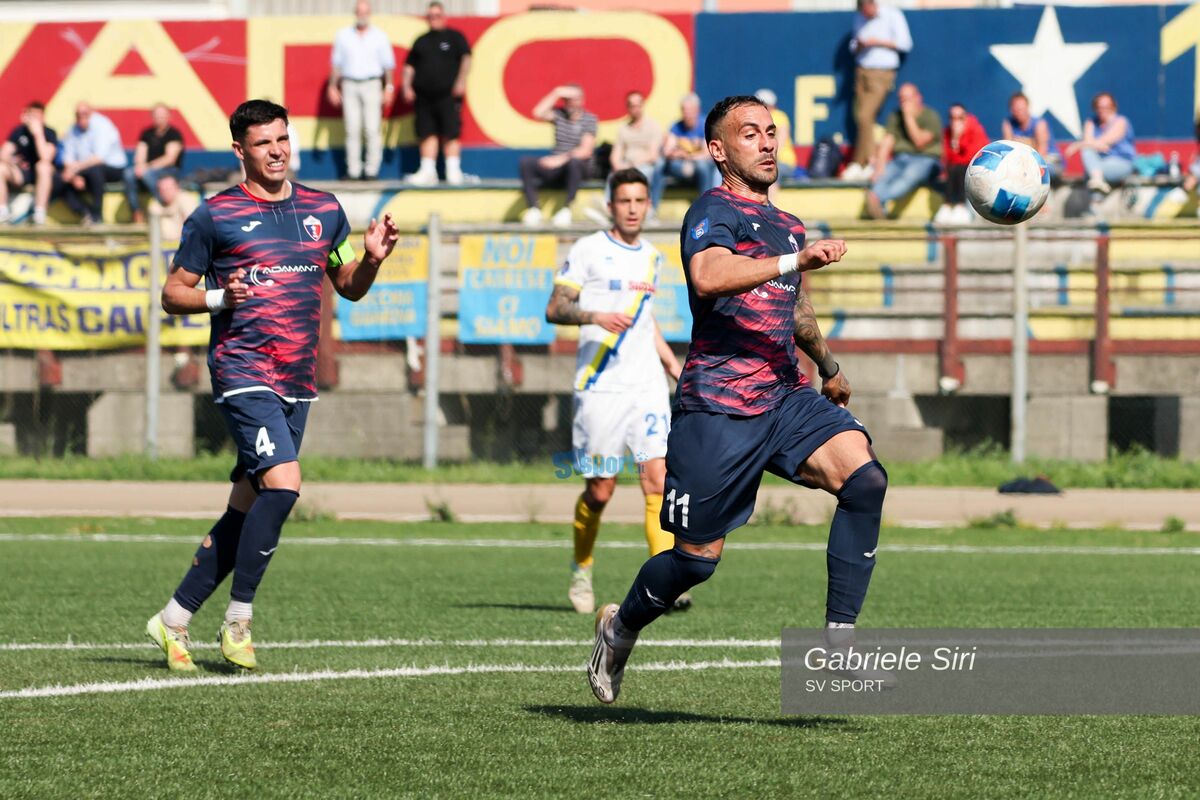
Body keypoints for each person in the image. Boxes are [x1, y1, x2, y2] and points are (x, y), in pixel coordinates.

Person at [588, 95, 885, 704]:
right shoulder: (711, 211)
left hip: (784, 394)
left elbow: (796, 311)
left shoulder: (789, 225)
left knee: (865, 480)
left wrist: (829, 368)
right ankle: (619, 629)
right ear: (718, 150)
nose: (767, 142)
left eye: (772, 131)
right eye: (751, 133)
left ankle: (838, 640)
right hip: (719, 405)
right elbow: (708, 276)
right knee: (696, 561)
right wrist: (794, 259)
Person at [145, 99, 400, 673]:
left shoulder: (324, 210)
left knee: (248, 506)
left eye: (283, 139)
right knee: (283, 486)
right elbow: (172, 293)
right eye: (264, 143)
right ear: (241, 151)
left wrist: (372, 260)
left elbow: (348, 283)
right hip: (242, 370)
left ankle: (172, 618)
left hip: (296, 378)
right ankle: (238, 621)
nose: (277, 151)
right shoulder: (215, 216)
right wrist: (220, 297)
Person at [544, 168, 684, 615]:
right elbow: (555, 307)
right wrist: (595, 316)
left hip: (646, 386)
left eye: (640, 200)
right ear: (611, 205)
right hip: (600, 387)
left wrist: (670, 362)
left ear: (648, 205)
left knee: (657, 480)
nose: (632, 208)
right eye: (624, 200)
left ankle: (665, 582)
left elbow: (643, 317)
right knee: (601, 490)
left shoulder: (654, 257)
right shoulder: (588, 249)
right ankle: (581, 569)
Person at [402, 1, 471, 186]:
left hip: (448, 95)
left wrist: (461, 81)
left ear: (444, 16)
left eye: (437, 15)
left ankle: (453, 171)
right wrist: (407, 86)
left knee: (451, 132)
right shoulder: (421, 40)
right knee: (426, 132)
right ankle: (427, 171)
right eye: (430, 16)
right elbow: (409, 66)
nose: (434, 19)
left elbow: (466, 58)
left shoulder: (455, 37)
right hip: (424, 97)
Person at [843, 0, 912, 181]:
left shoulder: (892, 14)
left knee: (865, 116)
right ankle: (864, 162)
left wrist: (876, 42)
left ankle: (865, 161)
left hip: (882, 73)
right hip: (862, 71)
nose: (865, 15)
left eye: (867, 10)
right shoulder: (859, 18)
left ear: (872, 4)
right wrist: (860, 45)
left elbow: (905, 43)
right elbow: (853, 47)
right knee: (861, 117)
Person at [327, 1, 396, 180]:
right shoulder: (343, 35)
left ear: (369, 13)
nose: (362, 15)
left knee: (372, 128)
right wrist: (333, 86)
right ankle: (354, 170)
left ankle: (372, 170)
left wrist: (389, 87)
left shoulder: (379, 36)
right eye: (359, 12)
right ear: (355, 13)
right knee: (352, 129)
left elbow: (388, 66)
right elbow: (337, 64)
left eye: (365, 12)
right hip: (349, 84)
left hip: (372, 83)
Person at [518, 84, 597, 227]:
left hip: (578, 167)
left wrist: (560, 159)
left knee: (574, 162)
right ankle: (533, 209)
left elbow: (585, 151)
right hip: (558, 166)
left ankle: (566, 209)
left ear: (582, 100)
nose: (571, 103)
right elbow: (537, 112)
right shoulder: (559, 115)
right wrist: (557, 92)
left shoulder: (589, 119)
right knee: (526, 162)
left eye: (574, 99)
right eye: (567, 99)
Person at [864, 82, 941, 220]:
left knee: (909, 175)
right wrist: (879, 168)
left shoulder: (930, 115)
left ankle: (878, 199)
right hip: (901, 158)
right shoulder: (895, 116)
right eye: (901, 99)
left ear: (918, 97)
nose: (904, 103)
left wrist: (908, 117)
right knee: (886, 172)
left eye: (908, 98)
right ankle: (875, 200)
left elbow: (919, 142)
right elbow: (887, 142)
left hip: (925, 159)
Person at [60, 103, 128, 225]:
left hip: (113, 168)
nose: (81, 117)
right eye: (78, 114)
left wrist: (75, 170)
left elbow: (98, 158)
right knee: (61, 179)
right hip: (84, 170)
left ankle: (97, 215)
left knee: (95, 171)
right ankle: (85, 212)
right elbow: (67, 157)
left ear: (92, 113)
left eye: (85, 114)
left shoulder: (102, 125)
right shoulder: (73, 129)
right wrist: (74, 176)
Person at [651, 93, 721, 210]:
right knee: (660, 164)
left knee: (702, 166)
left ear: (697, 110)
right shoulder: (676, 127)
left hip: (699, 166)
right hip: (680, 166)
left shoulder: (705, 125)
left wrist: (685, 156)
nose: (686, 114)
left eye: (689, 110)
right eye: (684, 110)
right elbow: (667, 151)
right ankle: (652, 208)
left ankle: (706, 207)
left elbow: (707, 154)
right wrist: (677, 154)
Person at [1064, 92, 1135, 202]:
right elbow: (1091, 143)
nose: (1102, 110)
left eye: (1107, 107)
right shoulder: (1091, 122)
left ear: (1113, 107)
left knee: (1091, 172)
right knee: (1088, 153)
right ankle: (1097, 191)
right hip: (1098, 164)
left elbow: (1104, 140)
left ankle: (1096, 193)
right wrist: (1093, 144)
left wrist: (1077, 145)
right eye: (1099, 107)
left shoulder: (1121, 122)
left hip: (1121, 163)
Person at [0, 101, 58, 226]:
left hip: (42, 176)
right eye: (31, 115)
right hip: (21, 174)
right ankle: (2, 212)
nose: (34, 120)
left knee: (43, 167)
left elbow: (45, 157)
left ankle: (39, 213)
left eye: (37, 116)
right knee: (1, 168)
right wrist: (12, 161)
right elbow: (4, 154)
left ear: (43, 117)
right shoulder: (19, 132)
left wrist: (37, 134)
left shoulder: (49, 133)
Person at [123, 103, 183, 223]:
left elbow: (170, 159)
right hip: (148, 170)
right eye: (157, 115)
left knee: (148, 174)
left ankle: (164, 205)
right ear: (152, 116)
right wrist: (139, 166)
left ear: (168, 116)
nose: (159, 118)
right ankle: (136, 212)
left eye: (162, 115)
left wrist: (147, 167)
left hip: (169, 171)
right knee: (128, 174)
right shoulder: (147, 134)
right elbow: (140, 153)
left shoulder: (174, 134)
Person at [936, 102, 988, 225]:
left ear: (966, 117)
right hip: (956, 170)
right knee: (951, 169)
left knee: (959, 169)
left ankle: (961, 206)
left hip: (976, 168)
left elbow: (973, 155)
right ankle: (947, 205)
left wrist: (958, 140)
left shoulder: (976, 129)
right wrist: (954, 139)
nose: (956, 122)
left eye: (960, 118)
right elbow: (947, 157)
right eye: (952, 118)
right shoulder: (947, 133)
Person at [609, 91, 663, 197]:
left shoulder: (653, 126)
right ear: (628, 108)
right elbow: (616, 153)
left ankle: (646, 204)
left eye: (638, 106)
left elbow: (653, 155)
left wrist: (634, 165)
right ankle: (608, 204)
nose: (636, 109)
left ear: (643, 105)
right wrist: (618, 166)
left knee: (643, 174)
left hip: (645, 165)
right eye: (632, 106)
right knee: (613, 176)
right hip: (626, 165)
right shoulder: (623, 128)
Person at [1001, 92, 1060, 179]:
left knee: (1041, 171)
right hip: (1023, 162)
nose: (1019, 112)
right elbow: (1007, 151)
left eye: (1021, 109)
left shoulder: (1039, 124)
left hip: (1048, 160)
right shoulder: (1009, 124)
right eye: (1015, 109)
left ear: (1027, 107)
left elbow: (1041, 153)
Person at [755, 88, 796, 204]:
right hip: (764, 160)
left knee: (769, 171)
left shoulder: (779, 117)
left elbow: (779, 144)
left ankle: (770, 207)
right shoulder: (756, 119)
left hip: (783, 162)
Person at [148, 173, 198, 240]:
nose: (166, 192)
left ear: (177, 187)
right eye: (162, 190)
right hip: (163, 244)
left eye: (169, 189)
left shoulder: (186, 199)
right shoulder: (155, 204)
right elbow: (154, 232)